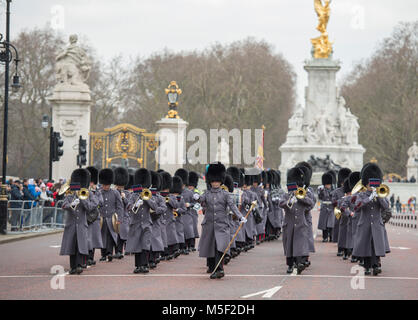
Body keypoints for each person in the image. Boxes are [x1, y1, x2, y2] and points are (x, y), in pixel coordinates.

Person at [197, 162, 246, 279]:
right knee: (211, 247)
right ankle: (214, 268)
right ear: (210, 181)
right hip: (209, 225)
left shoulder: (225, 194)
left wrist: (240, 217)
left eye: (217, 181)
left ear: (220, 181)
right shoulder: (207, 193)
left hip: (221, 225)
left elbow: (233, 206)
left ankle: (220, 269)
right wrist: (196, 197)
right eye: (213, 181)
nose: (215, 183)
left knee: (220, 247)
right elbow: (200, 200)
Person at [352, 163, 390, 276]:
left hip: (377, 225)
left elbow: (386, 207)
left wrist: (378, 197)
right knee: (366, 246)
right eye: (370, 184)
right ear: (366, 184)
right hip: (365, 224)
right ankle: (367, 266)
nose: (371, 186)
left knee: (376, 245)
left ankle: (376, 265)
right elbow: (357, 207)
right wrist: (369, 198)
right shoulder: (362, 195)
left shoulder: (380, 194)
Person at [60, 169, 99, 274]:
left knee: (80, 246)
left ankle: (79, 265)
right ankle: (73, 267)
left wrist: (82, 199)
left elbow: (91, 206)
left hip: (82, 224)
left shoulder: (88, 194)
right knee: (72, 246)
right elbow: (63, 205)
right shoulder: (70, 194)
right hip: (71, 224)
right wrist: (72, 204)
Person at [126, 168, 165, 274]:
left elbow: (156, 207)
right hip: (136, 223)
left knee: (145, 245)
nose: (143, 188)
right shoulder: (133, 195)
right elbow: (129, 207)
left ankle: (144, 265)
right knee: (137, 245)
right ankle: (138, 266)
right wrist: (135, 204)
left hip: (147, 223)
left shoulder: (150, 195)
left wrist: (148, 199)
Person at [279, 167, 315, 275]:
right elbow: (280, 203)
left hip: (301, 223)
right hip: (289, 224)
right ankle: (290, 265)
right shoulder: (286, 195)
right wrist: (290, 200)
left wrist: (300, 197)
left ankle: (299, 263)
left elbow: (311, 203)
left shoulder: (303, 193)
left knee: (300, 245)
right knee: (289, 245)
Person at [98, 168, 123, 262]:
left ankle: (109, 253)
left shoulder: (115, 192)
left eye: (107, 185)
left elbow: (120, 206)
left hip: (112, 218)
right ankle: (103, 254)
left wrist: (120, 218)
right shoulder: (99, 192)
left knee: (110, 237)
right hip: (102, 218)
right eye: (104, 185)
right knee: (102, 236)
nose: (105, 186)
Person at [331, 168, 352, 256]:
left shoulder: (352, 191)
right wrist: (342, 200)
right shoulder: (336, 191)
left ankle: (349, 248)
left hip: (349, 213)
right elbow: (333, 202)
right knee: (340, 231)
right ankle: (340, 248)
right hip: (339, 212)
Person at [85, 166, 103, 266]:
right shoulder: (85, 191)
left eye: (92, 182)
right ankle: (86, 257)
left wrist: (94, 193)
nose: (91, 184)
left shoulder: (98, 191)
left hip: (95, 217)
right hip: (86, 217)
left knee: (94, 239)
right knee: (86, 238)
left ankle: (91, 257)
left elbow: (101, 202)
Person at [113, 167, 130, 259]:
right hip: (115, 216)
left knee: (123, 235)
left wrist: (124, 197)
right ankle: (118, 252)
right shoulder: (113, 192)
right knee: (116, 234)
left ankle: (125, 249)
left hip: (124, 216)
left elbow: (129, 205)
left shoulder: (127, 193)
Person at [318, 172, 334, 242]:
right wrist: (321, 192)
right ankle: (325, 237)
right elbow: (320, 198)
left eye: (329, 184)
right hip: (324, 206)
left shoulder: (333, 189)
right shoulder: (321, 189)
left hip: (331, 207)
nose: (328, 186)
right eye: (327, 184)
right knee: (323, 223)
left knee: (331, 223)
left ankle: (331, 236)